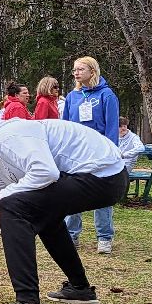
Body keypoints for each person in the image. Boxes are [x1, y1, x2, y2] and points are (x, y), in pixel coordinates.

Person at [0, 110, 128, 304]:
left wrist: (7, 197)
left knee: (13, 206)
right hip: (104, 178)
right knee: (40, 214)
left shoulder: (8, 136)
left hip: (104, 176)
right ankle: (80, 289)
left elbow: (46, 172)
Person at [61, 55, 121, 254]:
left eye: (80, 69)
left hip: (100, 152)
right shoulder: (72, 97)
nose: (76, 73)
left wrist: (112, 151)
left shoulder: (107, 95)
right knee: (72, 193)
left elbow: (112, 126)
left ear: (92, 71)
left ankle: (104, 237)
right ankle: (71, 234)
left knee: (101, 194)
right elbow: (66, 126)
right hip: (76, 153)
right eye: (74, 70)